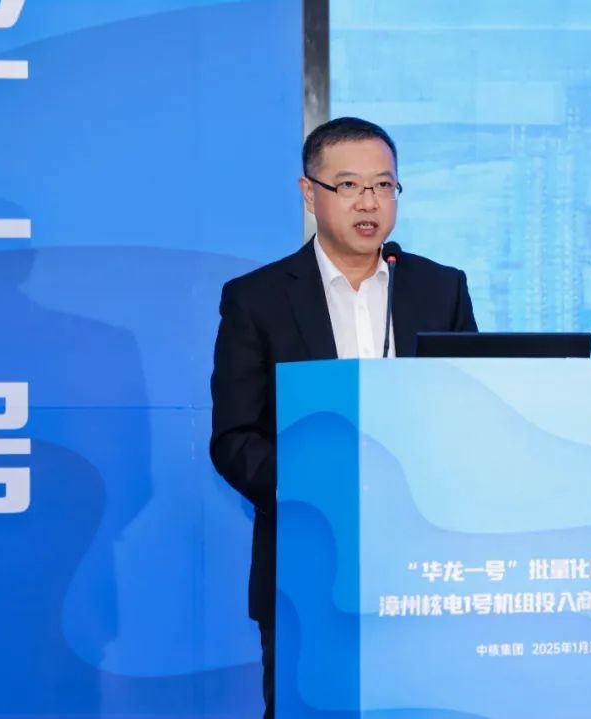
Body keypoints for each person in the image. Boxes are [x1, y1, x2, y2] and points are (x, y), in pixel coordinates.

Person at [209, 117, 478, 718]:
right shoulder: (257, 299)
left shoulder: (440, 288)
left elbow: (469, 416)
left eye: (384, 186)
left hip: (425, 563)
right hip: (308, 562)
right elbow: (235, 438)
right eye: (350, 185)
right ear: (310, 194)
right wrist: (322, 494)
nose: (369, 202)